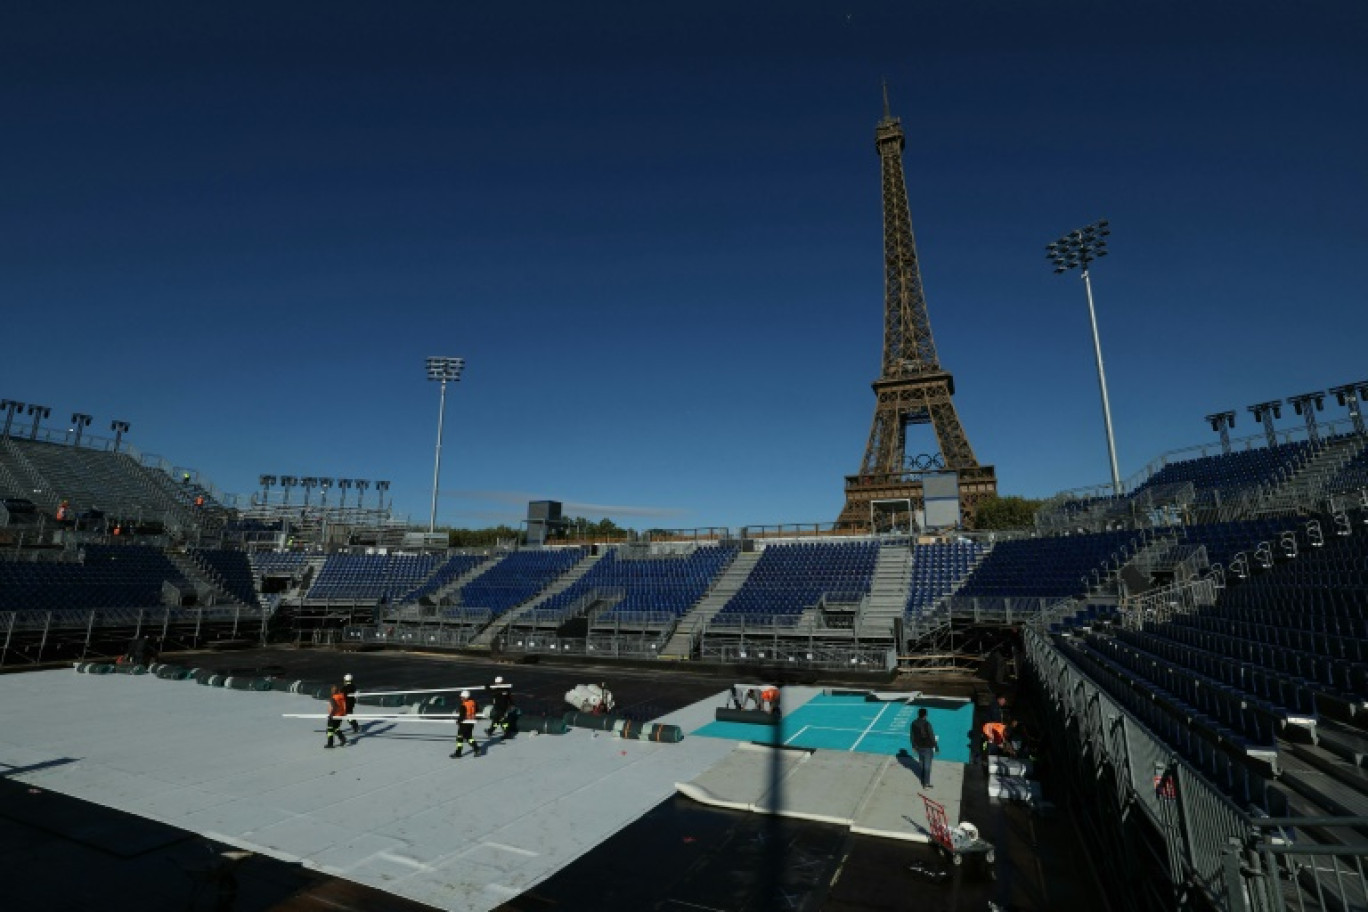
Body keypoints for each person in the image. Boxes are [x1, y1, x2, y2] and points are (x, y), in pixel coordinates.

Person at [910, 707, 939, 788]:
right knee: (927, 766)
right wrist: (936, 747)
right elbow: (931, 736)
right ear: (925, 715)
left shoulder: (913, 723)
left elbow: (912, 736)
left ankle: (923, 778)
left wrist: (913, 746)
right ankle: (926, 783)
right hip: (927, 747)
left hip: (919, 747)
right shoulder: (927, 724)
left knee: (922, 763)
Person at [450, 690, 482, 759]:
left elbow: (462, 717)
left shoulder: (463, 705)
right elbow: (477, 710)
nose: (461, 698)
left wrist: (458, 721)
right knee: (469, 737)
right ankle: (477, 749)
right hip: (471, 722)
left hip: (464, 724)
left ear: (465, 697)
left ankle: (458, 753)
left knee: (459, 738)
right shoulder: (473, 702)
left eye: (462, 697)